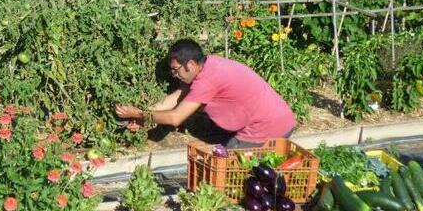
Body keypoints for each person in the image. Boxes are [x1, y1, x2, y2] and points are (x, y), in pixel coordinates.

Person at [115, 39, 296, 148]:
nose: (174, 75)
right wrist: (144, 116)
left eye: (176, 70)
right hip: (278, 119)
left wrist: (139, 114)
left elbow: (175, 118)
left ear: (191, 64)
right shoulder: (209, 64)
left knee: (223, 166)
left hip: (268, 129)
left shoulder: (207, 80)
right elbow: (176, 97)